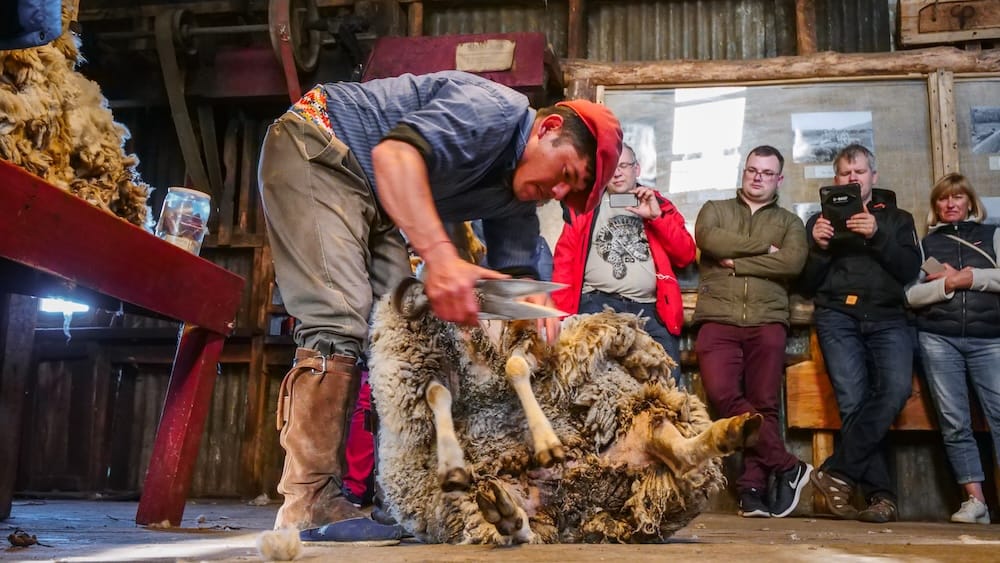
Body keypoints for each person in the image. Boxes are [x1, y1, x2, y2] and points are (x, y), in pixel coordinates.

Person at [257, 70, 622, 533]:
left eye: (568, 197)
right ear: (548, 129)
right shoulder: (493, 112)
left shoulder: (514, 195)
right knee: (338, 318)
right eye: (566, 175)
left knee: (401, 335)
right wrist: (441, 257)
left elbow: (517, 280)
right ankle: (306, 501)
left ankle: (401, 493)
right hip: (322, 145)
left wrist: (530, 312)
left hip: (375, 198)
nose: (557, 193)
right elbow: (394, 155)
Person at [800, 144, 921, 523]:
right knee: (853, 403)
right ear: (835, 180)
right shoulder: (819, 220)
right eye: (844, 173)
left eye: (859, 172)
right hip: (837, 316)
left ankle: (837, 470)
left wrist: (877, 234)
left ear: (873, 177)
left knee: (895, 391)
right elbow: (806, 284)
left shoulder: (899, 218)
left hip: (888, 317)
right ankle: (881, 499)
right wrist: (819, 248)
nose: (852, 179)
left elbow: (908, 271)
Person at [693, 145, 811, 518]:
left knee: (764, 405)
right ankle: (789, 466)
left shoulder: (791, 223)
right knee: (723, 395)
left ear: (779, 179)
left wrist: (737, 264)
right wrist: (764, 250)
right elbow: (710, 240)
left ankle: (753, 492)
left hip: (767, 320)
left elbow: (792, 262)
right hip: (718, 318)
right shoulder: (715, 210)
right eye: (752, 170)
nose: (757, 177)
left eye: (766, 172)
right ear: (743, 172)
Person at [551, 144, 695, 384]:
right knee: (587, 376)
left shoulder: (659, 205)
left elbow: (685, 255)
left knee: (667, 375)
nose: (617, 173)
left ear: (636, 169)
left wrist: (656, 218)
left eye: (624, 166)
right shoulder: (586, 206)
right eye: (611, 168)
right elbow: (564, 260)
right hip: (596, 303)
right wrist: (561, 317)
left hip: (647, 309)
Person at [905, 173, 1000, 525]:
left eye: (957, 197)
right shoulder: (925, 244)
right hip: (938, 338)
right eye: (944, 199)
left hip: (990, 338)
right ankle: (976, 502)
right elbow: (911, 295)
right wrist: (947, 284)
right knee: (954, 422)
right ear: (935, 206)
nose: (950, 204)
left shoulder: (992, 235)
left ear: (970, 202)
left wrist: (968, 277)